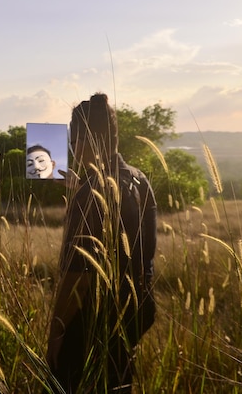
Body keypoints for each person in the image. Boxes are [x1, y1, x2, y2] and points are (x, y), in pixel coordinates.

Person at [46, 93, 157, 393]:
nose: (71, 147)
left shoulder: (90, 195)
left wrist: (55, 332)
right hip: (132, 314)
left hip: (92, 322)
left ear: (83, 140)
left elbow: (76, 279)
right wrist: (80, 186)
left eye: (73, 139)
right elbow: (146, 254)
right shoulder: (138, 179)